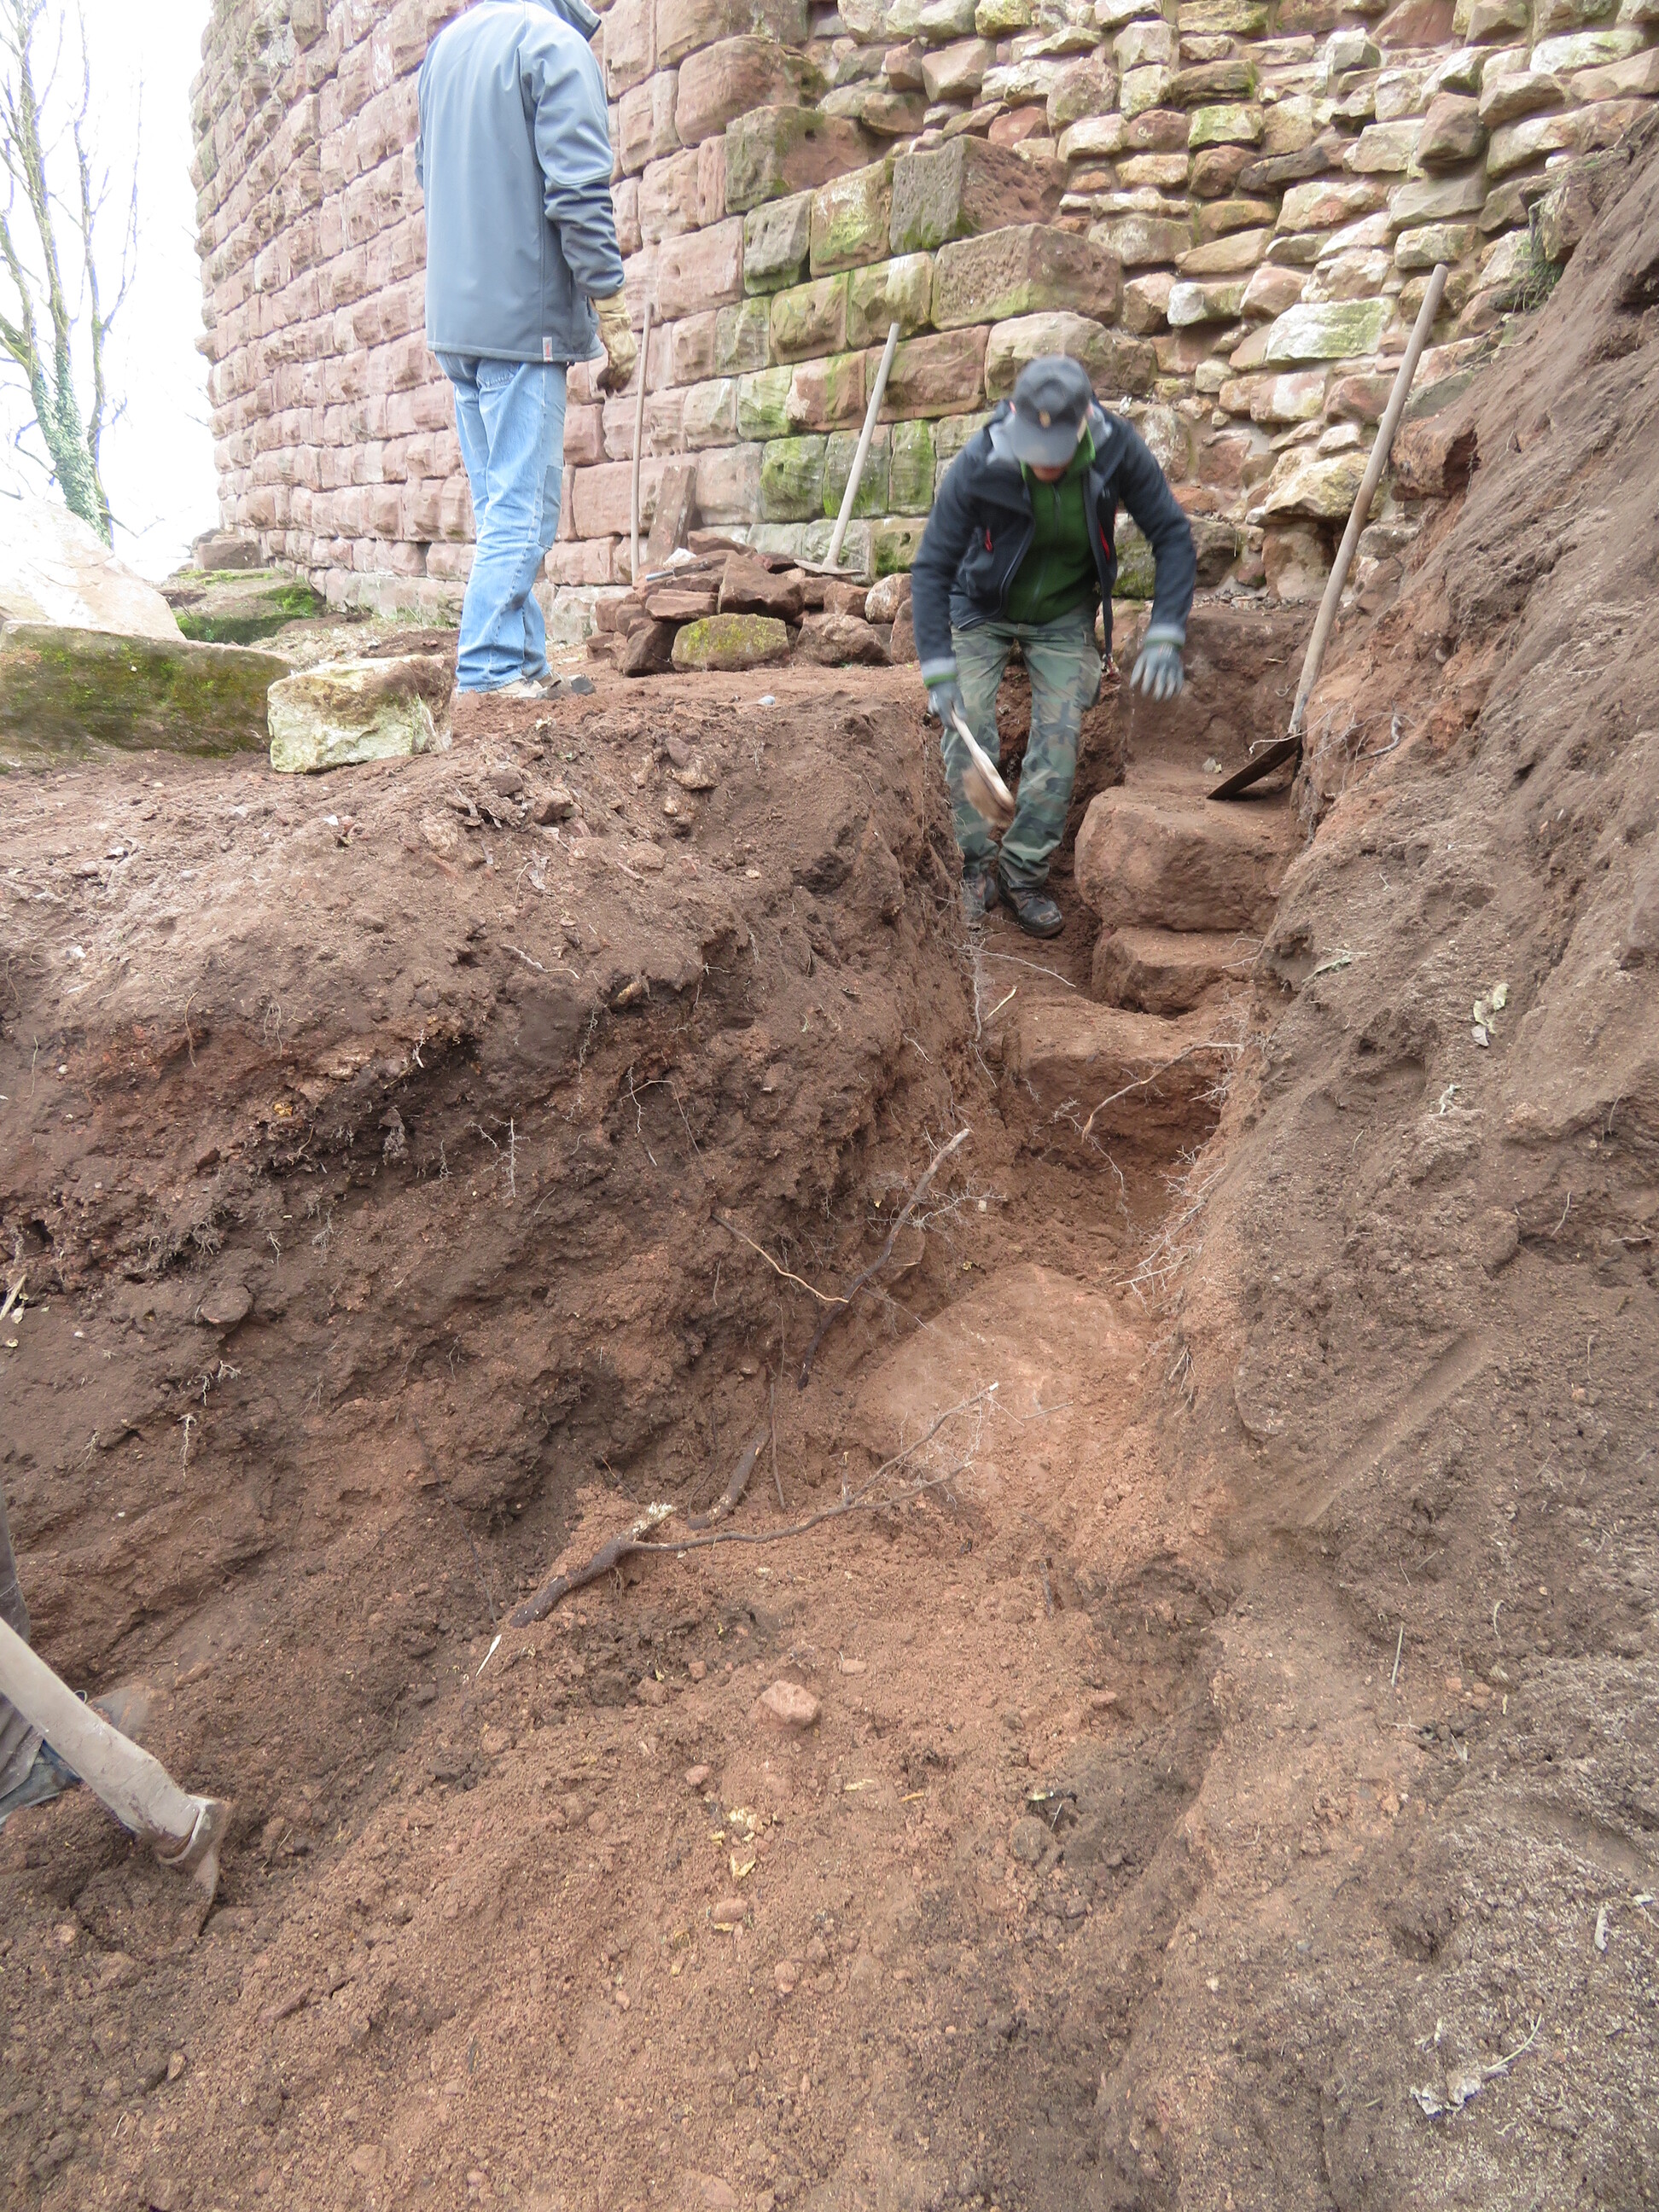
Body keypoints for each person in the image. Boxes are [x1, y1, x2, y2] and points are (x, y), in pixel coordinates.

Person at [911, 355, 1196, 938]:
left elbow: (1171, 534)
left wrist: (1167, 629)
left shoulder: (1117, 450)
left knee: (1060, 734)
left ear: (1086, 420)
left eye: (1056, 451)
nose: (1043, 463)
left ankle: (1023, 874)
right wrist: (938, 667)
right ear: (1014, 415)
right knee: (970, 728)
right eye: (1033, 448)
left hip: (1064, 611)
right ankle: (974, 868)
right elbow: (933, 564)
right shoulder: (984, 457)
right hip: (981, 608)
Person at [417, 0, 637, 698]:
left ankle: (523, 665)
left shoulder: (445, 50)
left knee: (500, 506)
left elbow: (429, 177)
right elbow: (579, 193)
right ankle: (487, 672)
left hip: (457, 321)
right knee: (523, 510)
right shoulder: (552, 45)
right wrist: (610, 303)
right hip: (521, 321)